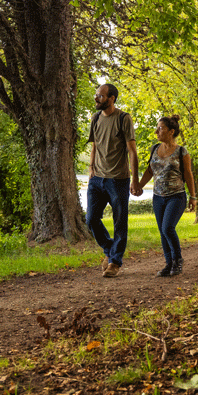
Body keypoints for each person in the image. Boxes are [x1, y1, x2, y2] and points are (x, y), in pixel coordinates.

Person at [87, 83, 141, 278]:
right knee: (91, 219)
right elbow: (94, 146)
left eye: (100, 96)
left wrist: (135, 180)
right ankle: (110, 250)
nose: (96, 98)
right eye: (96, 95)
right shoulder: (95, 119)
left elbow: (132, 151)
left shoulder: (124, 118)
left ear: (112, 99)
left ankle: (115, 262)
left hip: (118, 180)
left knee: (120, 222)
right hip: (97, 179)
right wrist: (91, 168)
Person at [136, 115, 197, 277]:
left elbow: (188, 174)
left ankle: (178, 260)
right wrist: (139, 186)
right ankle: (169, 263)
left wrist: (193, 196)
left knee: (167, 228)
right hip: (158, 197)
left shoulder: (181, 151)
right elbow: (150, 171)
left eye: (160, 128)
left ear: (171, 131)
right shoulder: (155, 149)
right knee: (162, 231)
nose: (157, 131)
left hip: (176, 196)